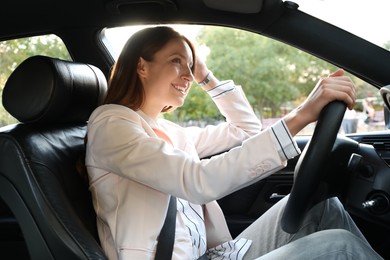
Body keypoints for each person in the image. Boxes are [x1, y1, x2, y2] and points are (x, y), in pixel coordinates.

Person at [85, 26, 383, 260]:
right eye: (176, 62)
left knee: (324, 208)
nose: (187, 75)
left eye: (190, 66)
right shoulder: (112, 124)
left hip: (212, 256)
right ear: (142, 67)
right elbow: (197, 181)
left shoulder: (171, 132)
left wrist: (205, 76)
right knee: (340, 247)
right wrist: (303, 114)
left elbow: (245, 129)